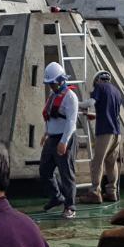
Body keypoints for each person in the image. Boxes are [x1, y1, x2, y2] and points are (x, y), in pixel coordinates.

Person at [39, 61, 79, 220]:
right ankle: (57, 197)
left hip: (65, 137)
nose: (51, 86)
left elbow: (70, 122)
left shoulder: (70, 97)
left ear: (61, 81)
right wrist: (46, 133)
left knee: (66, 174)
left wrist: (64, 142)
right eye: (49, 84)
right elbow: (51, 118)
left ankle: (70, 206)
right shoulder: (53, 95)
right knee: (44, 171)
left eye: (53, 83)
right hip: (52, 137)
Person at [78, 70, 122, 205]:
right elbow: (110, 112)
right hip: (117, 133)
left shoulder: (100, 87)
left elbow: (90, 103)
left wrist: (76, 103)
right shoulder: (116, 91)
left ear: (97, 80)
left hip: (104, 132)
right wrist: (95, 115)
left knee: (97, 162)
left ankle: (95, 192)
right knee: (111, 162)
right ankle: (111, 192)